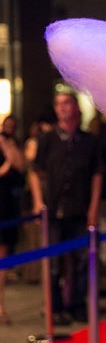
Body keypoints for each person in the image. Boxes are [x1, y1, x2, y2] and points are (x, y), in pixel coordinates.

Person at [29, 91, 102, 325]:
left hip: (79, 208)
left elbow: (97, 175)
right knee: (53, 263)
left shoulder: (89, 140)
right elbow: (35, 170)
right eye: (58, 104)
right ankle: (56, 307)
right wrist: (38, 201)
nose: (62, 107)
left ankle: (78, 305)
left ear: (76, 107)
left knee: (82, 260)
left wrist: (94, 208)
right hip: (53, 209)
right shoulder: (48, 139)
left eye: (66, 103)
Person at [0, 117, 26, 324]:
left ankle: (0, 305)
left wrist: (7, 148)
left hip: (6, 206)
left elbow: (21, 166)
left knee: (3, 257)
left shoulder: (11, 143)